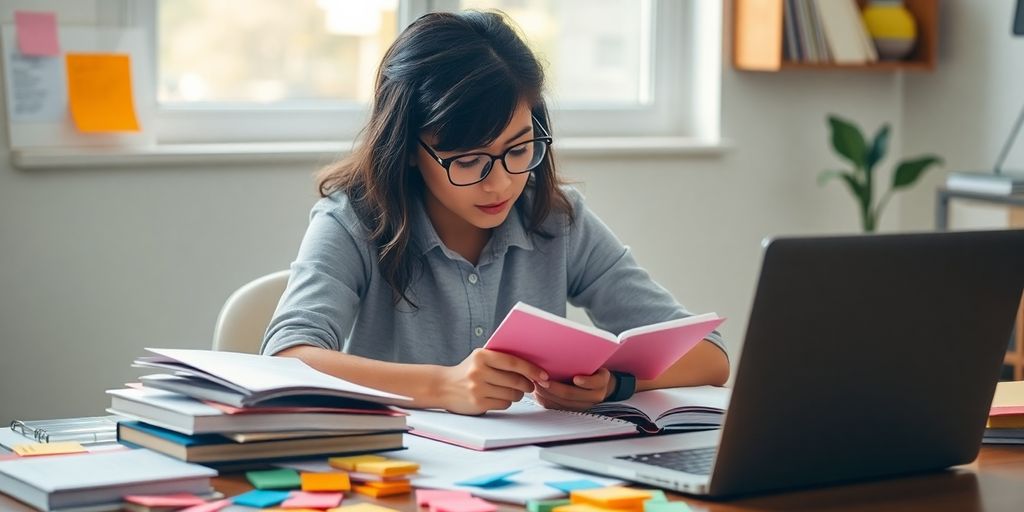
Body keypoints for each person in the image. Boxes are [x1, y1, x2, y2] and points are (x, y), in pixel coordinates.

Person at [261, 10, 728, 415]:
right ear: (406, 148)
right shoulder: (353, 221)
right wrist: (441, 386)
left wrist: (614, 383)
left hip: (534, 475)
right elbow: (286, 358)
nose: (501, 182)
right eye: (468, 161)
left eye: (519, 148)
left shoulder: (555, 219)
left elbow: (709, 357)